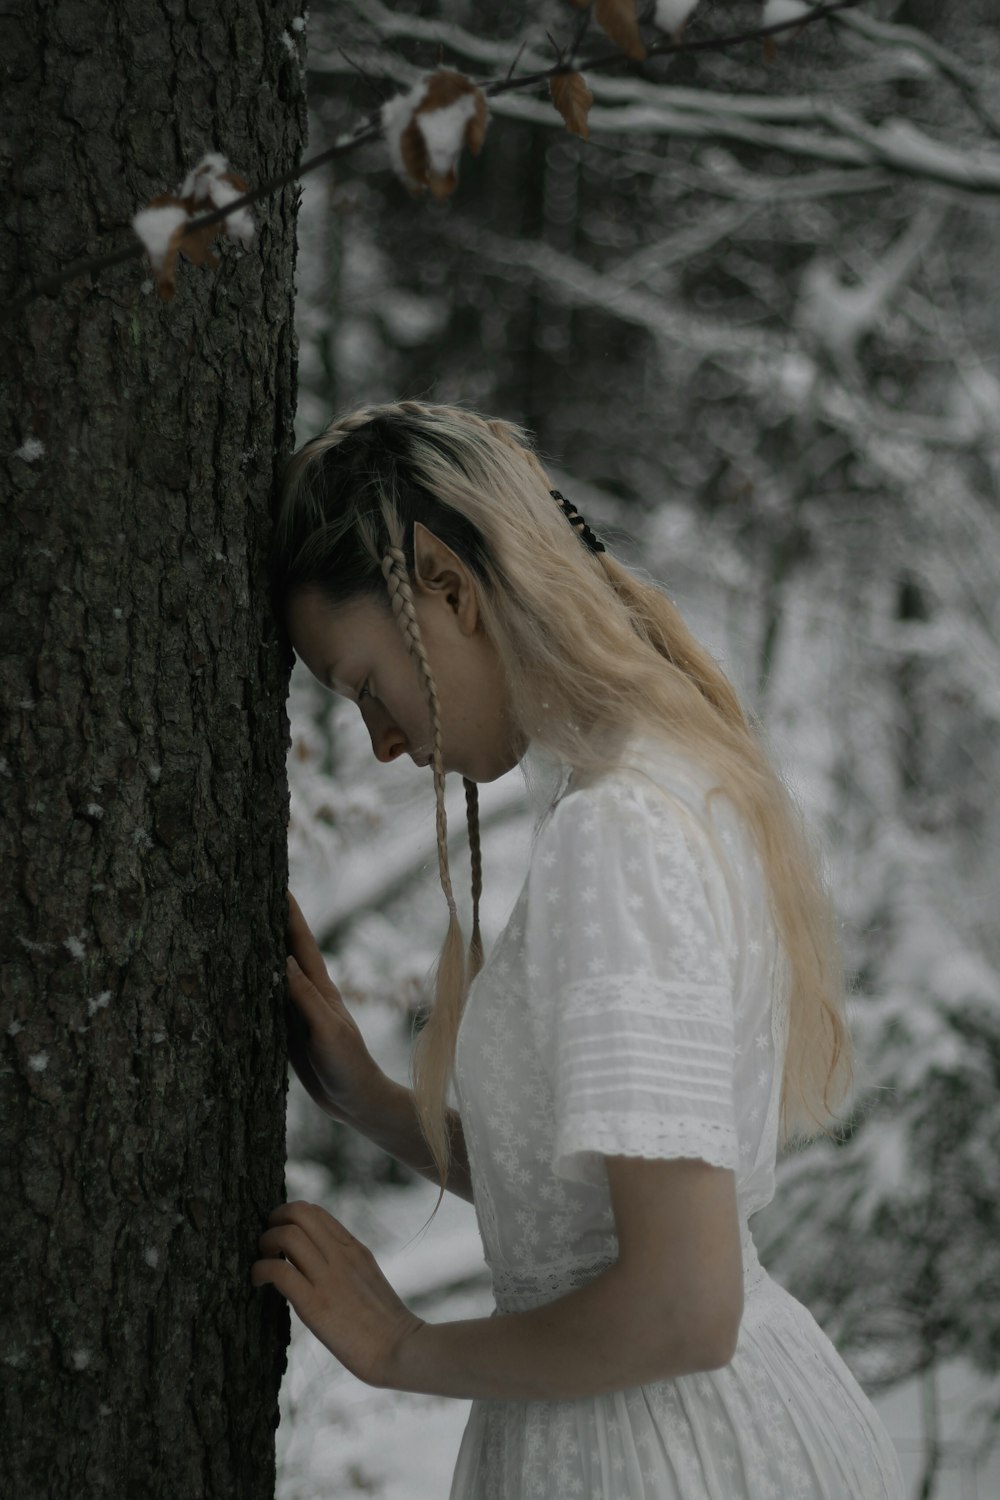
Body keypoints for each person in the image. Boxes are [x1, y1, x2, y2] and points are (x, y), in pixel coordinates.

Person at [252, 400, 905, 1499]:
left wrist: (401, 1348)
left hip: (654, 1449)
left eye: (368, 686)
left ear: (447, 591)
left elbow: (679, 1310)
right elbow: (594, 1211)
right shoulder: (669, 778)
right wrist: (368, 1095)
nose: (382, 744)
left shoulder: (620, 832)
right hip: (690, 1428)